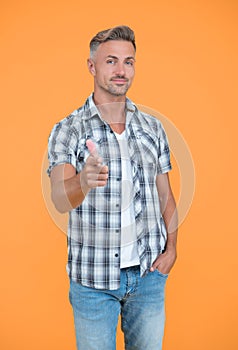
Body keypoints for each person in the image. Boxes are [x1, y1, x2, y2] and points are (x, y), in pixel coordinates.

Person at [47, 25, 178, 350]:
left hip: (148, 277)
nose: (121, 71)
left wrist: (172, 247)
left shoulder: (152, 128)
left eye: (129, 62)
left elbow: (165, 194)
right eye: (111, 61)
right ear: (92, 66)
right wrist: (83, 180)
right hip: (93, 281)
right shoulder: (68, 130)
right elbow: (60, 199)